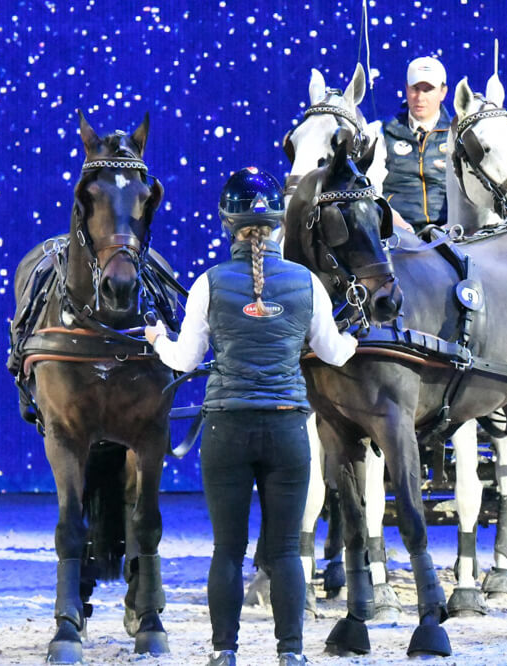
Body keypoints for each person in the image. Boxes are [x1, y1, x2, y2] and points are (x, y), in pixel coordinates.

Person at [144, 167, 357, 666]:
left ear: (228, 224)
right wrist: (353, 336)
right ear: (279, 224)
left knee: (227, 549)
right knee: (284, 550)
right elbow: (335, 354)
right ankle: (291, 653)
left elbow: (185, 360)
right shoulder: (307, 283)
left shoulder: (209, 283)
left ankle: (225, 651)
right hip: (287, 430)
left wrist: (157, 340)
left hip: (227, 429)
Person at [381, 55, 452, 232]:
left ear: (443, 92)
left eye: (428, 90)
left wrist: (452, 228)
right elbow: (371, 190)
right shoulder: (382, 132)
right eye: (415, 89)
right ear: (406, 89)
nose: (420, 97)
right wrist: (399, 225)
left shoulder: (457, 134)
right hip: (397, 233)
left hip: (450, 233)